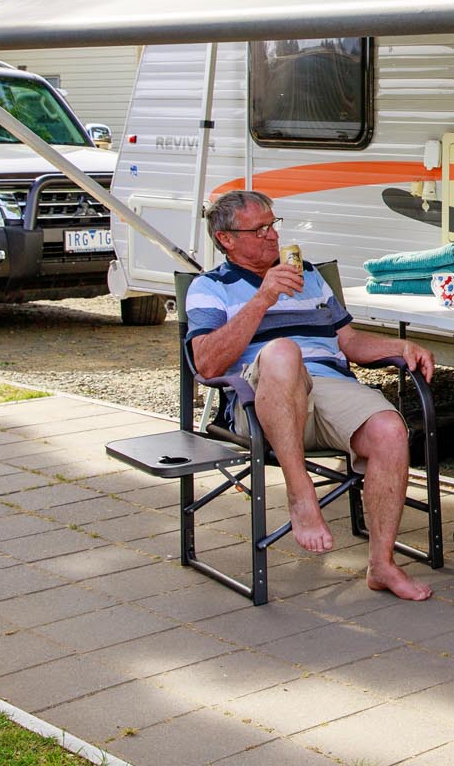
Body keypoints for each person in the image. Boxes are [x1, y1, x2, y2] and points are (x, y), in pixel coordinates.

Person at [186, 190, 435, 602]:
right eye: (259, 229)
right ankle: (300, 493)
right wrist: (264, 297)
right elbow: (207, 365)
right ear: (226, 239)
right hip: (260, 398)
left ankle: (382, 564)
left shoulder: (310, 276)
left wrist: (400, 347)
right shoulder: (209, 287)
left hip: (327, 387)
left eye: (273, 225)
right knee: (284, 352)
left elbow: (348, 342)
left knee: (389, 430)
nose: (272, 236)